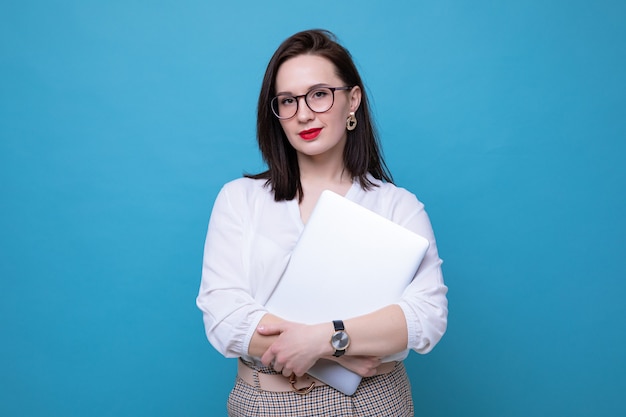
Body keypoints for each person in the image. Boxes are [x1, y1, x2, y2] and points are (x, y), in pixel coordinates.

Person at [196, 29, 448, 416]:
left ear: (353, 100)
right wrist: (333, 356)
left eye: (319, 94)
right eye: (287, 101)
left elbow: (426, 317)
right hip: (263, 401)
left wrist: (325, 339)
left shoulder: (398, 206)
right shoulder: (239, 199)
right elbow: (224, 316)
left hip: (372, 402)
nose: (303, 113)